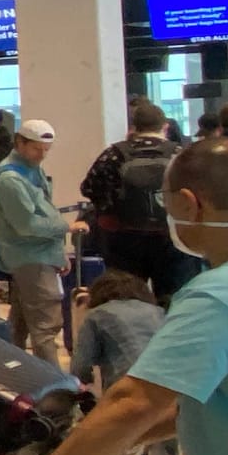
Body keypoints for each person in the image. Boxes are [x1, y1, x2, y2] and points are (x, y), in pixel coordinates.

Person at [0, 138, 228, 455]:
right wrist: (87, 450)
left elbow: (136, 401)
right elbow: (192, 405)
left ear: (188, 203)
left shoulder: (212, 298)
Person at [0, 120, 85, 366]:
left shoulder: (30, 169)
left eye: (46, 150)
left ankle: (14, 377)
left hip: (37, 256)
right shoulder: (10, 179)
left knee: (19, 325)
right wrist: (67, 227)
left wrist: (58, 253)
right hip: (30, 259)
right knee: (46, 329)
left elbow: (45, 211)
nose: (41, 155)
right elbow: (27, 225)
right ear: (20, 143)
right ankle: (55, 390)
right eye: (36, 149)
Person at [82, 101, 196, 306]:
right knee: (173, 298)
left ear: (133, 127)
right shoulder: (180, 153)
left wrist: (110, 210)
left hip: (125, 239)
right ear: (165, 127)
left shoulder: (115, 154)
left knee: (126, 298)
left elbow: (89, 188)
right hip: (171, 236)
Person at [69, 271, 176, 455]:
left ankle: (132, 446)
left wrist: (79, 390)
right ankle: (163, 444)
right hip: (169, 375)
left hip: (129, 377)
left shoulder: (97, 315)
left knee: (120, 416)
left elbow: (81, 365)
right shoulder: (157, 311)